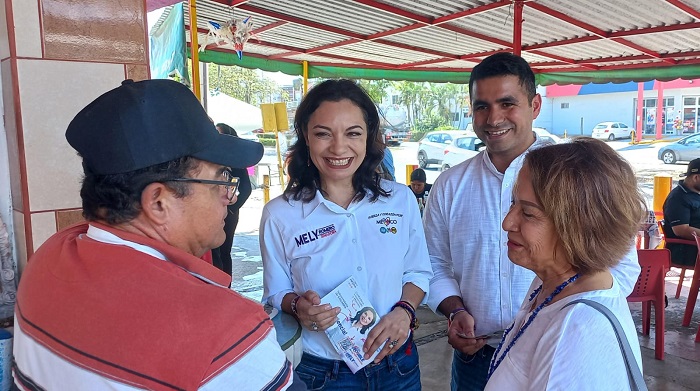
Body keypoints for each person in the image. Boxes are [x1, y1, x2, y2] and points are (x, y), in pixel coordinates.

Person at [13, 79, 302, 390]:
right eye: (221, 178)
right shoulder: (225, 333)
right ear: (158, 202)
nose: (229, 196)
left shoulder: (48, 258)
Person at [423, 52, 641, 390]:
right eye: (482, 106)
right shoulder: (451, 185)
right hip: (478, 354)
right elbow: (434, 263)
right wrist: (455, 311)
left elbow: (620, 268)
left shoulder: (575, 178)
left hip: (557, 345)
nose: (494, 118)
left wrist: (566, 317)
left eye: (507, 103)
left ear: (535, 106)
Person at [260, 79, 432, 390]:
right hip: (323, 374)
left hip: (398, 365)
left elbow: (418, 272)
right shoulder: (280, 214)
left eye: (353, 133)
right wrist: (299, 306)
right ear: (306, 140)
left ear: (369, 138)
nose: (339, 148)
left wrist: (404, 312)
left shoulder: (400, 199)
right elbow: (275, 293)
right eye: (323, 134)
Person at [485, 138, 644, 389]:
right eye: (513, 203)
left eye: (528, 213)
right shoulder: (551, 283)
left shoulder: (578, 331)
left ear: (578, 228)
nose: (507, 223)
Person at [211, 122, 253, 277]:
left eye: (219, 134)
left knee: (224, 251)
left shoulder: (236, 162)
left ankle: (226, 286)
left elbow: (247, 189)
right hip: (211, 211)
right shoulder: (210, 159)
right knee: (213, 252)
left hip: (229, 212)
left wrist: (232, 207)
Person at [662, 158, 700, 266]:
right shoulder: (678, 198)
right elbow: (681, 230)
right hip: (687, 249)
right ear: (696, 177)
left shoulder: (695, 193)